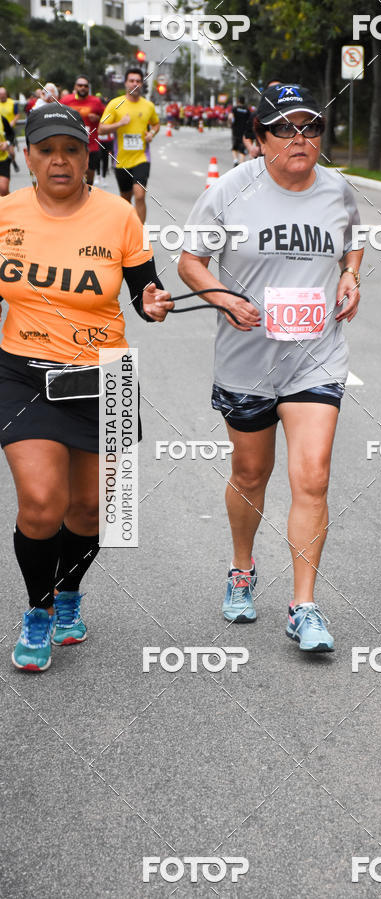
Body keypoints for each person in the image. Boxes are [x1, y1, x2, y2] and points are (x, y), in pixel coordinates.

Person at [176, 83, 362, 653]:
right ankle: (241, 567)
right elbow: (189, 261)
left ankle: (303, 605)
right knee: (251, 474)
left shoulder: (337, 190)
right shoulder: (230, 192)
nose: (299, 138)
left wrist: (351, 275)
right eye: (284, 128)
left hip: (316, 358)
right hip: (247, 363)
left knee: (313, 476)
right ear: (258, 140)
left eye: (309, 127)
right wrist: (225, 299)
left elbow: (352, 242)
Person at [0, 105, 172, 672]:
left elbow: (147, 292)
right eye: (46, 149)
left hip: (105, 377)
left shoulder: (119, 214)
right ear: (28, 157)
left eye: (70, 150)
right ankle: (39, 609)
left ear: (87, 158)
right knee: (42, 504)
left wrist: (152, 304)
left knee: (95, 509)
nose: (58, 160)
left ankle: (71, 590)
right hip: (21, 371)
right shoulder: (6, 214)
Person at [98, 68, 160, 223]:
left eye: (138, 81)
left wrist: (151, 134)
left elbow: (156, 124)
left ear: (142, 84)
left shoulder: (148, 106)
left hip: (141, 158)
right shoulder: (115, 104)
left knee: (140, 194)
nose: (135, 84)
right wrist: (119, 123)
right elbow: (101, 129)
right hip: (122, 160)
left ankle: (139, 233)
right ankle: (127, 232)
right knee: (125, 200)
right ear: (126, 83)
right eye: (131, 80)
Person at [62, 75, 105, 185]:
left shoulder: (96, 102)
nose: (83, 88)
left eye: (85, 86)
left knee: (89, 179)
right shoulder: (66, 100)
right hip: (71, 144)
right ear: (75, 87)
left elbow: (107, 118)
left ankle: (87, 197)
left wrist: (98, 118)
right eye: (80, 85)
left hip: (91, 145)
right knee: (75, 176)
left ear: (88, 88)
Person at [229, 95, 250, 166]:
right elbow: (249, 120)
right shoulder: (247, 110)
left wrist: (231, 123)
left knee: (235, 146)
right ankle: (241, 164)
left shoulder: (234, 109)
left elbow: (230, 117)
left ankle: (235, 160)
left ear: (238, 101)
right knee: (242, 148)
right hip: (244, 131)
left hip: (235, 130)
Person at [0, 112, 16, 196]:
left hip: (2, 159)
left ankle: (10, 203)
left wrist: (7, 143)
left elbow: (11, 134)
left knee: (3, 190)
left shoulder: (2, 118)